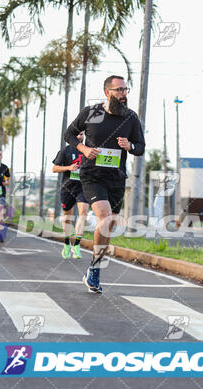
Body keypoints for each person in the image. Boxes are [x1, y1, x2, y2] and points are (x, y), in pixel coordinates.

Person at [63, 75, 145, 294]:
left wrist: (130, 146)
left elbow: (141, 147)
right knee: (105, 216)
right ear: (107, 92)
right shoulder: (91, 113)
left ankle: (93, 266)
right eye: (119, 90)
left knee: (110, 225)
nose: (123, 94)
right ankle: (97, 269)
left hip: (116, 178)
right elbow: (69, 134)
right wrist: (83, 149)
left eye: (125, 90)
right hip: (92, 175)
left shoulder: (130, 117)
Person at [52, 131, 89, 259]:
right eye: (78, 134)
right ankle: (67, 243)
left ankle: (77, 245)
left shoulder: (88, 151)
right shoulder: (65, 151)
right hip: (67, 188)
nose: (80, 137)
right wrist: (68, 168)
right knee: (68, 217)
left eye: (82, 134)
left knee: (84, 212)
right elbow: (55, 168)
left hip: (82, 187)